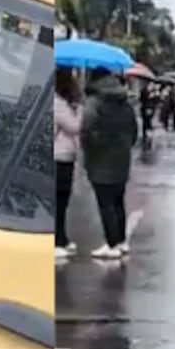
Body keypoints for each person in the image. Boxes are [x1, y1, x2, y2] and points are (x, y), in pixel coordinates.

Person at [80, 68, 140, 259]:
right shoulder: (126, 104)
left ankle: (111, 244)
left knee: (105, 203)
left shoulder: (94, 103)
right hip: (122, 160)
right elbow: (134, 132)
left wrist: (89, 150)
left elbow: (86, 130)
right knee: (118, 201)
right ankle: (121, 242)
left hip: (100, 159)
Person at [54, 69, 82, 258]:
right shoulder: (58, 103)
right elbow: (74, 127)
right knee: (59, 200)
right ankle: (57, 239)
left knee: (62, 201)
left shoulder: (60, 102)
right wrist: (80, 110)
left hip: (64, 156)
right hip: (59, 156)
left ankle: (62, 237)